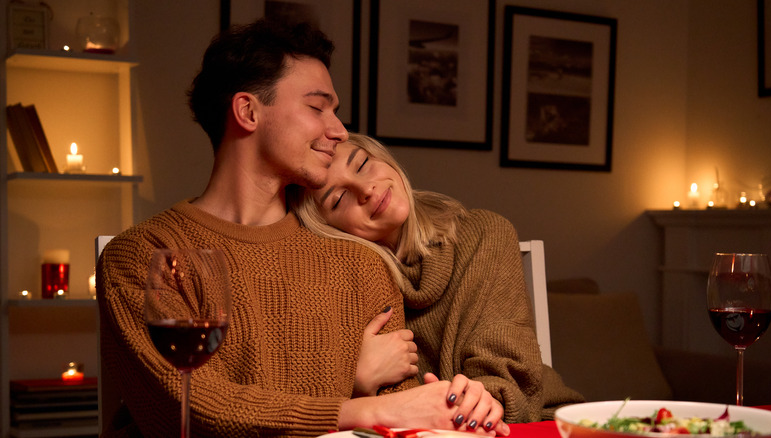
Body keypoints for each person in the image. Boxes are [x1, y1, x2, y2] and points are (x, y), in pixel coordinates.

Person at [96, 19, 509, 437]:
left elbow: (401, 411)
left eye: (336, 111)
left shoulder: (359, 261)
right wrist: (355, 390)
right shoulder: (145, 254)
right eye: (317, 107)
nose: (339, 131)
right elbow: (181, 408)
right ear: (248, 112)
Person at [289, 133, 585, 423]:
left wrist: (478, 403)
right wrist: (357, 379)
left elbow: (508, 376)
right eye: (339, 199)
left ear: (383, 157)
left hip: (528, 419)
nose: (366, 189)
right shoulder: (338, 281)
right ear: (326, 226)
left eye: (363, 164)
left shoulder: (484, 234)